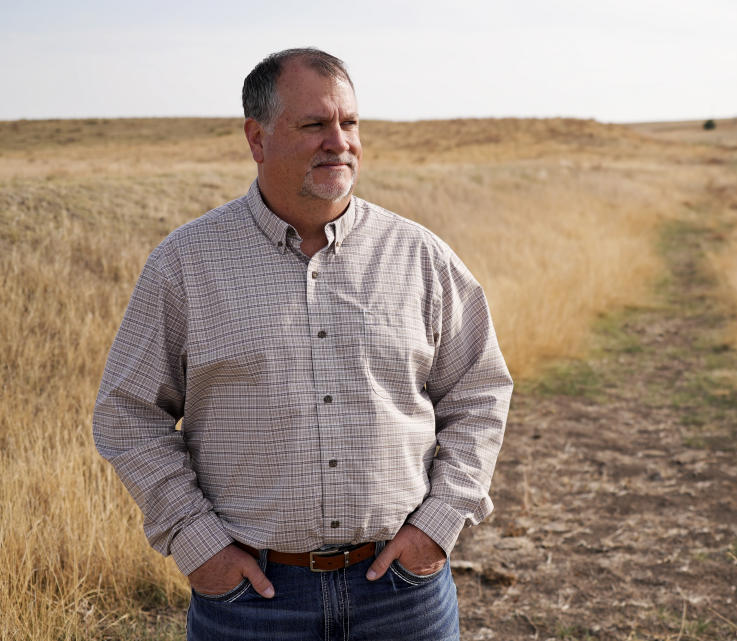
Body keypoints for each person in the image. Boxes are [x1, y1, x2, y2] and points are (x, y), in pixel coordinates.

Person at [92, 47, 512, 640]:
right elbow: (127, 413)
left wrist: (438, 525)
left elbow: (480, 391)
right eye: (315, 124)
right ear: (256, 138)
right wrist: (196, 542)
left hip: (403, 593)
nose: (339, 141)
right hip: (251, 601)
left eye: (350, 123)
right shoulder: (185, 265)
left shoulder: (419, 256)